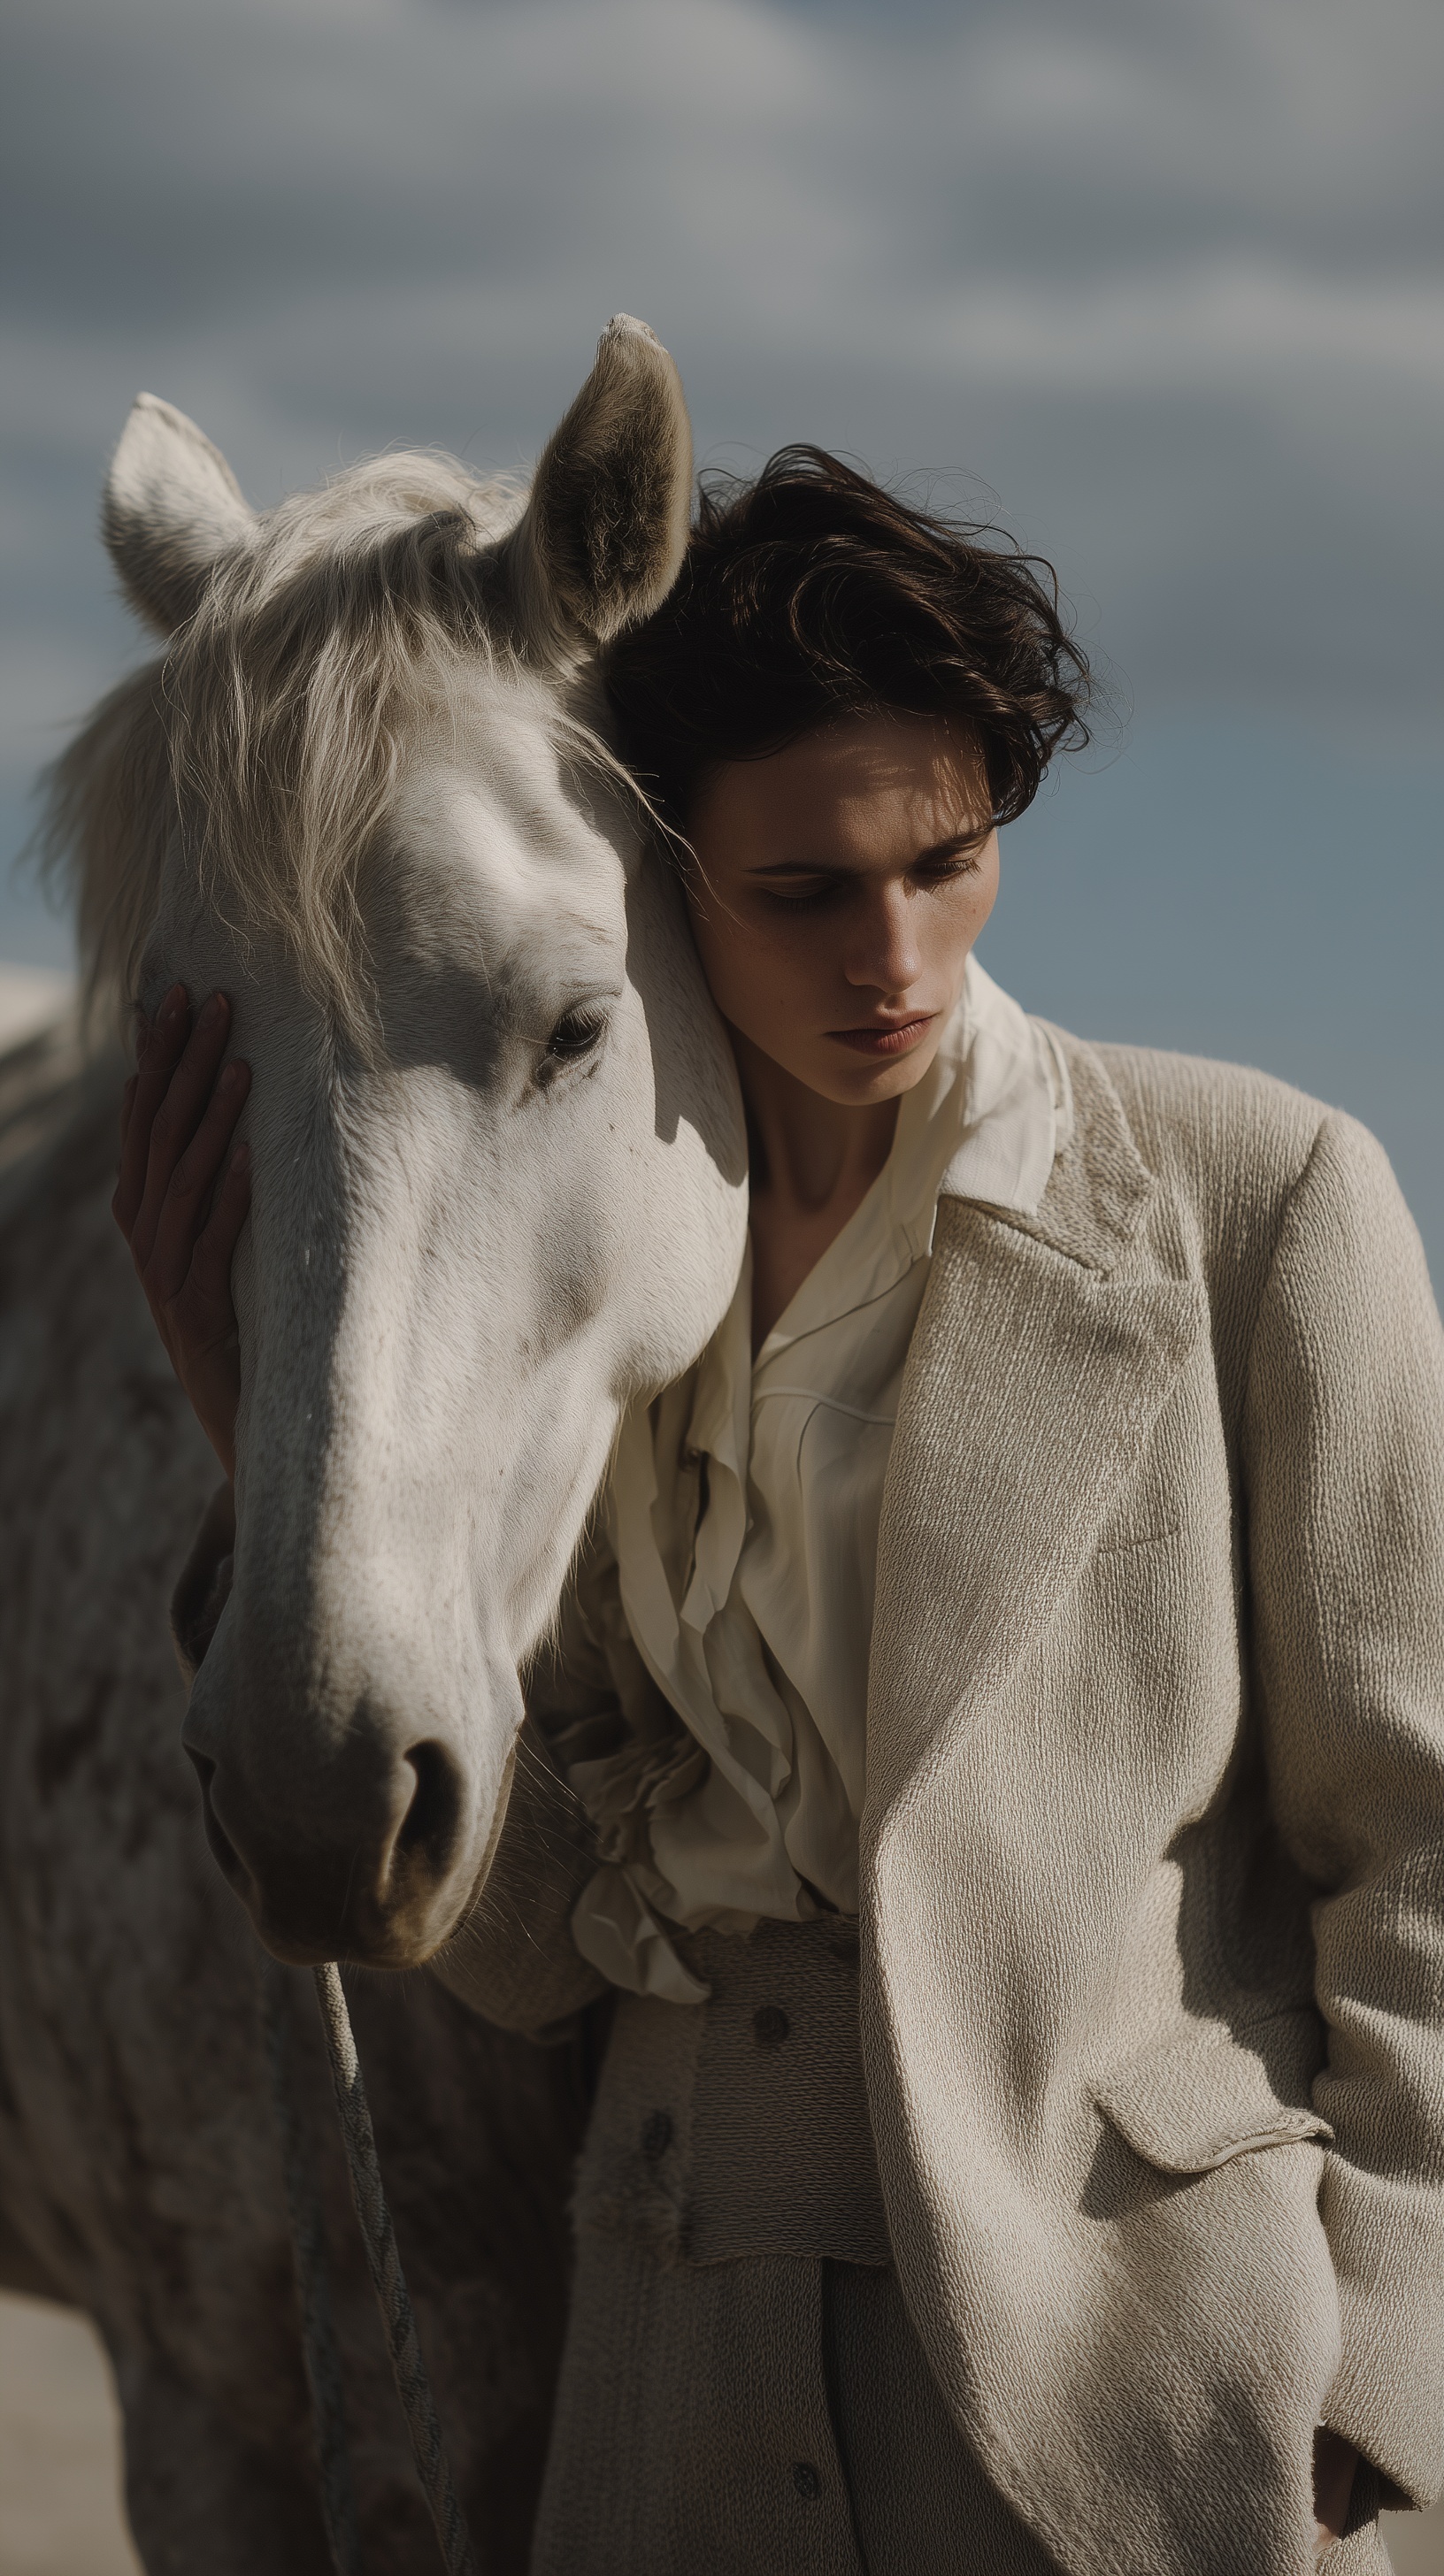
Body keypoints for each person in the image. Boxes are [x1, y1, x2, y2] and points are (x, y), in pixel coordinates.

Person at [116, 449, 1444, 2574]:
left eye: (948, 861)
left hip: (1149, 2389)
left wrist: (1379, 2381)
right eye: (805, 890)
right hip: (665, 2386)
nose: (892, 956)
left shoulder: (1261, 1203)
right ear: (667, 875)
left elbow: (1420, 1838)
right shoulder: (604, 1307)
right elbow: (534, 1960)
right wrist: (244, 1411)